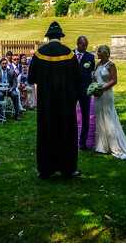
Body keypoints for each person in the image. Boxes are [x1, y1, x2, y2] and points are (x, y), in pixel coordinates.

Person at [28, 21, 81, 179]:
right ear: (60, 36)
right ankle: (68, 168)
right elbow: (77, 78)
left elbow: (31, 78)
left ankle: (45, 169)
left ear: (48, 36)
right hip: (65, 102)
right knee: (66, 132)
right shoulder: (69, 53)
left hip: (46, 102)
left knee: (46, 132)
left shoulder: (39, 53)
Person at [93, 45, 126, 162]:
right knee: (100, 118)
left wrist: (102, 88)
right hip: (97, 94)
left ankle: (114, 145)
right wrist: (94, 88)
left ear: (105, 53)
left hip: (106, 94)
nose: (97, 54)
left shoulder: (111, 65)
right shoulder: (97, 64)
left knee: (108, 116)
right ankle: (102, 145)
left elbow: (114, 80)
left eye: (99, 52)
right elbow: (95, 78)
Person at [75, 36, 95, 150]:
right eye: (83, 45)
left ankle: (83, 142)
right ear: (78, 44)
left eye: (86, 45)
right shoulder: (70, 55)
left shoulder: (90, 57)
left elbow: (91, 72)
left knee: (86, 116)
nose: (85, 47)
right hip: (72, 90)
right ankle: (70, 140)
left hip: (85, 91)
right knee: (69, 115)